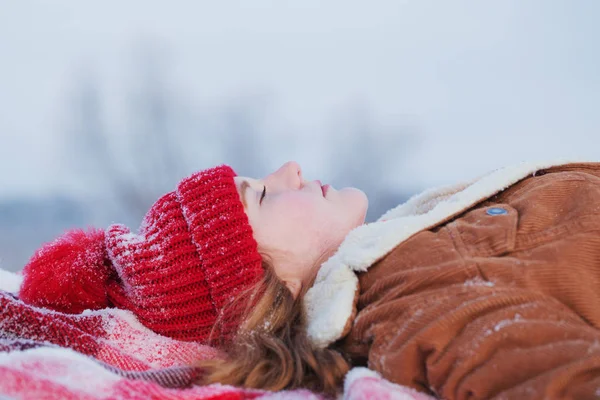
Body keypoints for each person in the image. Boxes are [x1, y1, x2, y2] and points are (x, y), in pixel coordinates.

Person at [18, 160, 600, 399]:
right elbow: (550, 373)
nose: (291, 169)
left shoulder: (397, 249)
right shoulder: (405, 301)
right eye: (265, 196)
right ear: (272, 287)